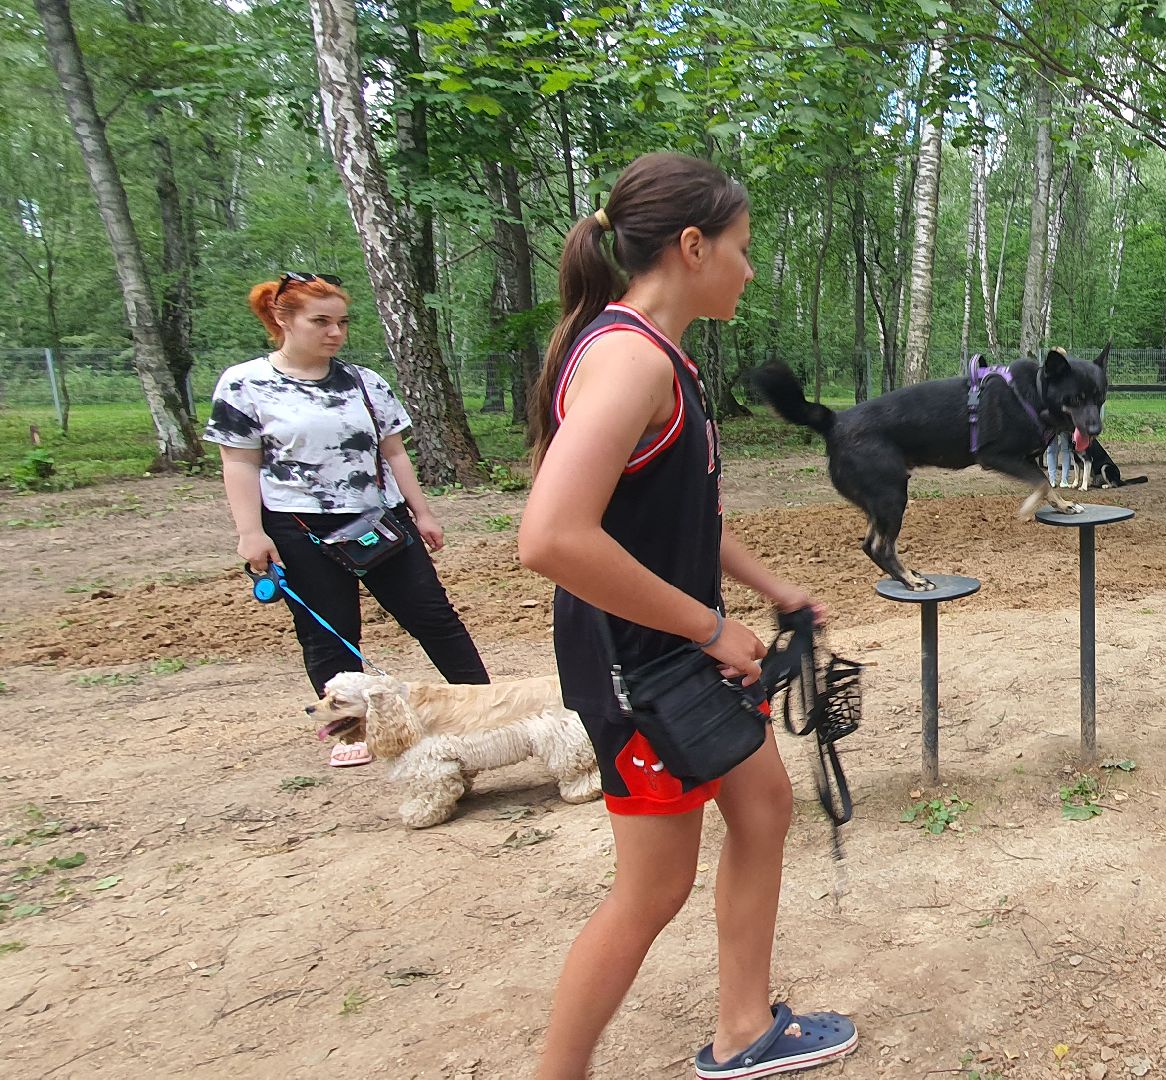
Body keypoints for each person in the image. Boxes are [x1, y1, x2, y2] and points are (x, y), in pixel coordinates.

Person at [517, 152, 854, 1080]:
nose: (751, 268)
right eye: (743, 248)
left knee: (764, 806)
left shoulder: (661, 356)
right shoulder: (628, 359)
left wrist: (772, 590)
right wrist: (707, 628)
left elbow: (677, 517)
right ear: (693, 247)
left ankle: (744, 1028)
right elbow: (551, 538)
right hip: (638, 660)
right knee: (653, 887)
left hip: (676, 645)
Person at [206, 273, 488, 768]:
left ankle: (482, 704)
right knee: (329, 629)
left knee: (433, 615)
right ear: (282, 319)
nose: (335, 333)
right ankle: (350, 728)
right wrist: (251, 533)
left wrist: (422, 512)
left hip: (380, 520)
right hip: (298, 527)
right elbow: (239, 462)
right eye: (321, 321)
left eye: (341, 322)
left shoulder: (365, 381)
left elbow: (394, 453)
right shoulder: (245, 383)